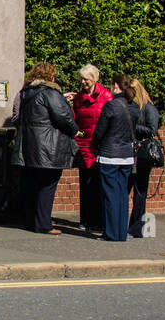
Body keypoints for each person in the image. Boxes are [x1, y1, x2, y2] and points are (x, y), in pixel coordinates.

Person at [10, 63, 80, 235]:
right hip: (48, 147)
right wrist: (76, 130)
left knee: (32, 184)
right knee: (47, 185)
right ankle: (43, 224)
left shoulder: (26, 93)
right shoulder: (50, 93)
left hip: (28, 146)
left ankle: (30, 221)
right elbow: (63, 117)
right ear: (51, 77)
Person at [89, 80, 137, 241]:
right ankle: (121, 233)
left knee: (109, 195)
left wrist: (95, 144)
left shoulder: (111, 106)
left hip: (110, 154)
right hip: (127, 155)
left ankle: (110, 233)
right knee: (122, 194)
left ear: (116, 86)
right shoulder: (133, 107)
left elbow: (100, 130)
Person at [68, 64, 111, 234]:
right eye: (81, 79)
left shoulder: (106, 96)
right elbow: (74, 118)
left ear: (95, 79)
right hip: (83, 142)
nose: (83, 82)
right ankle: (85, 218)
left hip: (99, 143)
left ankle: (98, 219)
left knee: (99, 182)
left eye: (86, 78)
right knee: (85, 181)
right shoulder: (78, 97)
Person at [116, 74, 160, 238]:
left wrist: (134, 126)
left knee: (140, 192)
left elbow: (152, 131)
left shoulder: (148, 108)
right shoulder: (130, 107)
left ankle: (137, 228)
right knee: (124, 189)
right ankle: (121, 225)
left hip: (142, 156)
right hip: (129, 152)